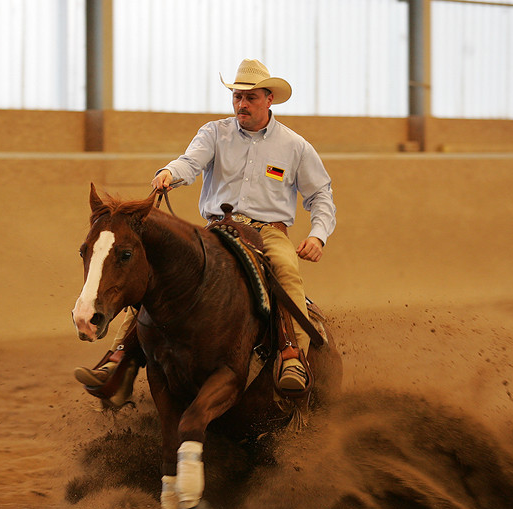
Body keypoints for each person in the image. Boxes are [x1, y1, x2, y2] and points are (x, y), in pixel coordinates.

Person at [75, 58, 336, 395]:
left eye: (250, 98)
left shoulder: (295, 147)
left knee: (285, 269)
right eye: (237, 97)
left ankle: (292, 354)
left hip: (268, 231)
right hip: (217, 229)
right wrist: (171, 172)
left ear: (269, 99)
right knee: (154, 272)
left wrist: (318, 235)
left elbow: (320, 194)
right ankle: (120, 356)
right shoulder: (215, 133)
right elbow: (191, 162)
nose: (241, 104)